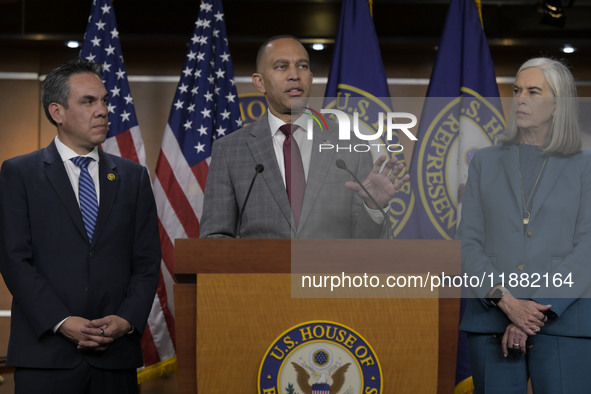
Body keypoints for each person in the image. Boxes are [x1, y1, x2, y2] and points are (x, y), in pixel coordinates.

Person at [0, 59, 161, 394]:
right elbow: (14, 260)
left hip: (115, 356)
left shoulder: (132, 177)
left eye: (103, 100)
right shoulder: (20, 173)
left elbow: (146, 262)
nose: (102, 110)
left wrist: (127, 319)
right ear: (57, 112)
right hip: (46, 356)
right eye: (88, 102)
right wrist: (62, 321)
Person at [457, 57, 591, 393]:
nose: (520, 98)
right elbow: (470, 243)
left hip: (564, 322)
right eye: (517, 90)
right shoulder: (484, 162)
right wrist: (506, 301)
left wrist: (532, 314)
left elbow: (587, 247)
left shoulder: (585, 164)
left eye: (533, 91)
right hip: (491, 319)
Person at [200, 35, 409, 238]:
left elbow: (367, 247)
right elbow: (215, 237)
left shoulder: (351, 145)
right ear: (260, 82)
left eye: (302, 66)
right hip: (261, 273)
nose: (294, 75)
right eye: (281, 66)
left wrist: (373, 207)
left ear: (310, 78)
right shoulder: (230, 151)